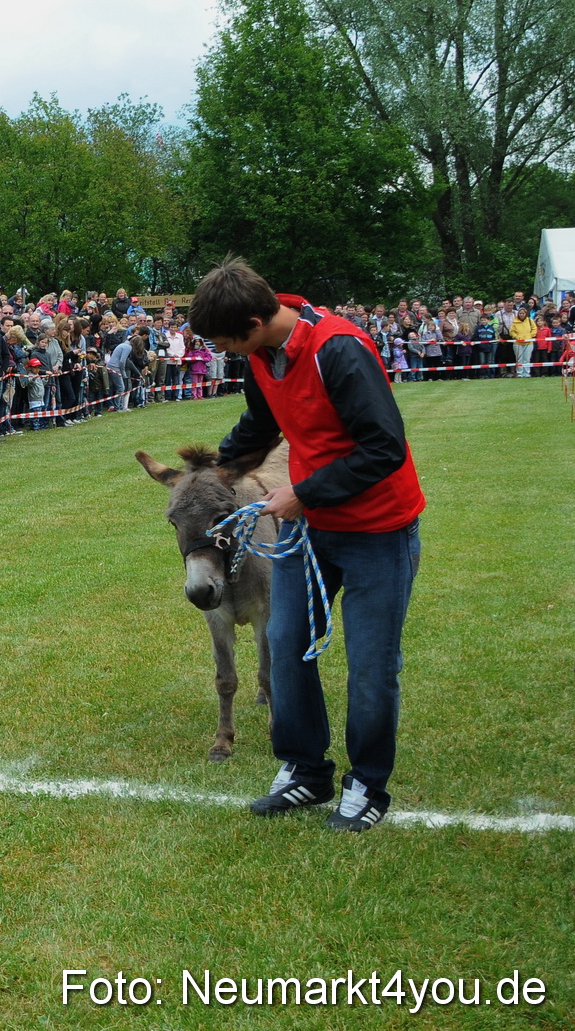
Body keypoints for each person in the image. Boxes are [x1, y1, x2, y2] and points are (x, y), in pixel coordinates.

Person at [190, 258, 423, 833]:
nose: (225, 353)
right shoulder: (262, 355)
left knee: (371, 666)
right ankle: (305, 769)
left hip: (377, 529)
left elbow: (384, 447)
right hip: (310, 529)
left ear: (253, 322)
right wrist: (214, 474)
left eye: (226, 342)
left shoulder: (339, 350)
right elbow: (260, 425)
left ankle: (367, 784)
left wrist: (305, 492)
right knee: (286, 642)